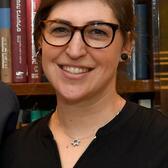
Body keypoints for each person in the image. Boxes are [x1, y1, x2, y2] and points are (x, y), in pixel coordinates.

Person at [1, 0, 168, 167]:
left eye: (97, 31)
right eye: (60, 29)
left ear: (127, 45)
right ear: (39, 39)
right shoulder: (13, 149)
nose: (75, 51)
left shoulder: (161, 141)